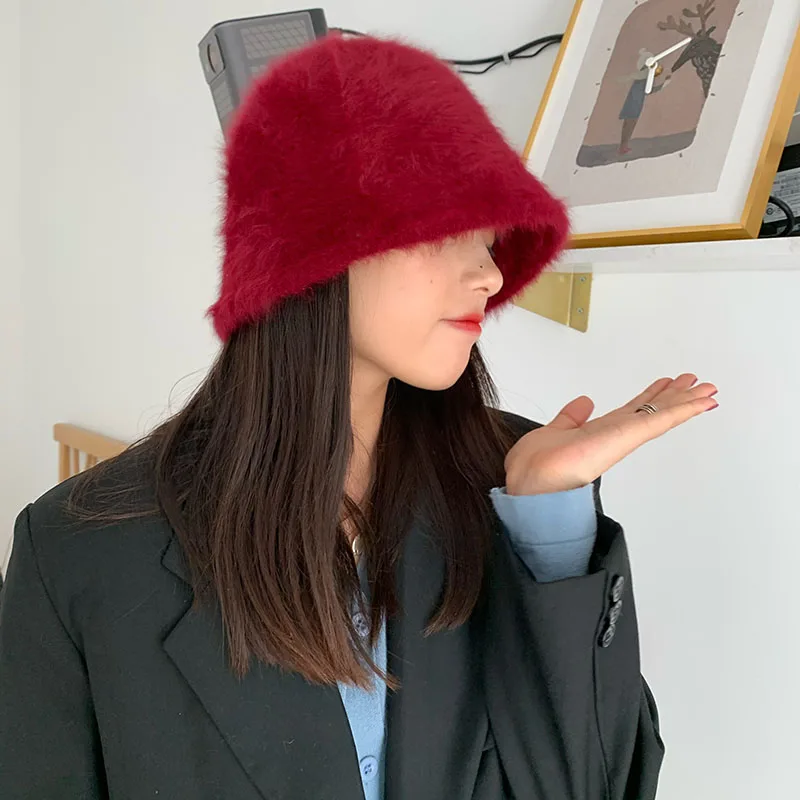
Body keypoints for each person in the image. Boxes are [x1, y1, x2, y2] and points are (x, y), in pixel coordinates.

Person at [0, 32, 717, 799]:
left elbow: (602, 785)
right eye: (448, 228)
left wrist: (551, 524)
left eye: (488, 236)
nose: (488, 272)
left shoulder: (516, 488)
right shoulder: (81, 550)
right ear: (309, 251)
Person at [617, 48, 673, 155]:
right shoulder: (644, 76)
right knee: (630, 124)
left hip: (634, 101)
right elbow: (649, 90)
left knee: (629, 123)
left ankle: (623, 145)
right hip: (634, 102)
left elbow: (647, 89)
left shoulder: (643, 76)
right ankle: (623, 146)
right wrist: (664, 84)